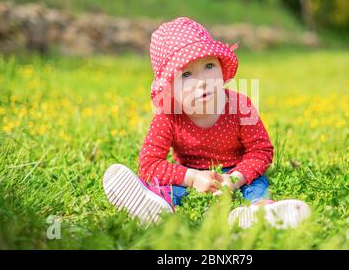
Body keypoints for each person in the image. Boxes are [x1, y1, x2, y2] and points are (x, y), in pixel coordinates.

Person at [103, 17, 310, 228]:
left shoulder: (240, 105)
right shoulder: (169, 115)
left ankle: (260, 210)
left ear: (221, 68)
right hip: (190, 173)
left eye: (209, 65)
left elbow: (260, 151)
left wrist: (236, 178)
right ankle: (158, 206)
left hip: (237, 170)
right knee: (170, 187)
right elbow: (149, 164)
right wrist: (192, 178)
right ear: (169, 88)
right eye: (186, 74)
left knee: (255, 184)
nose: (203, 81)